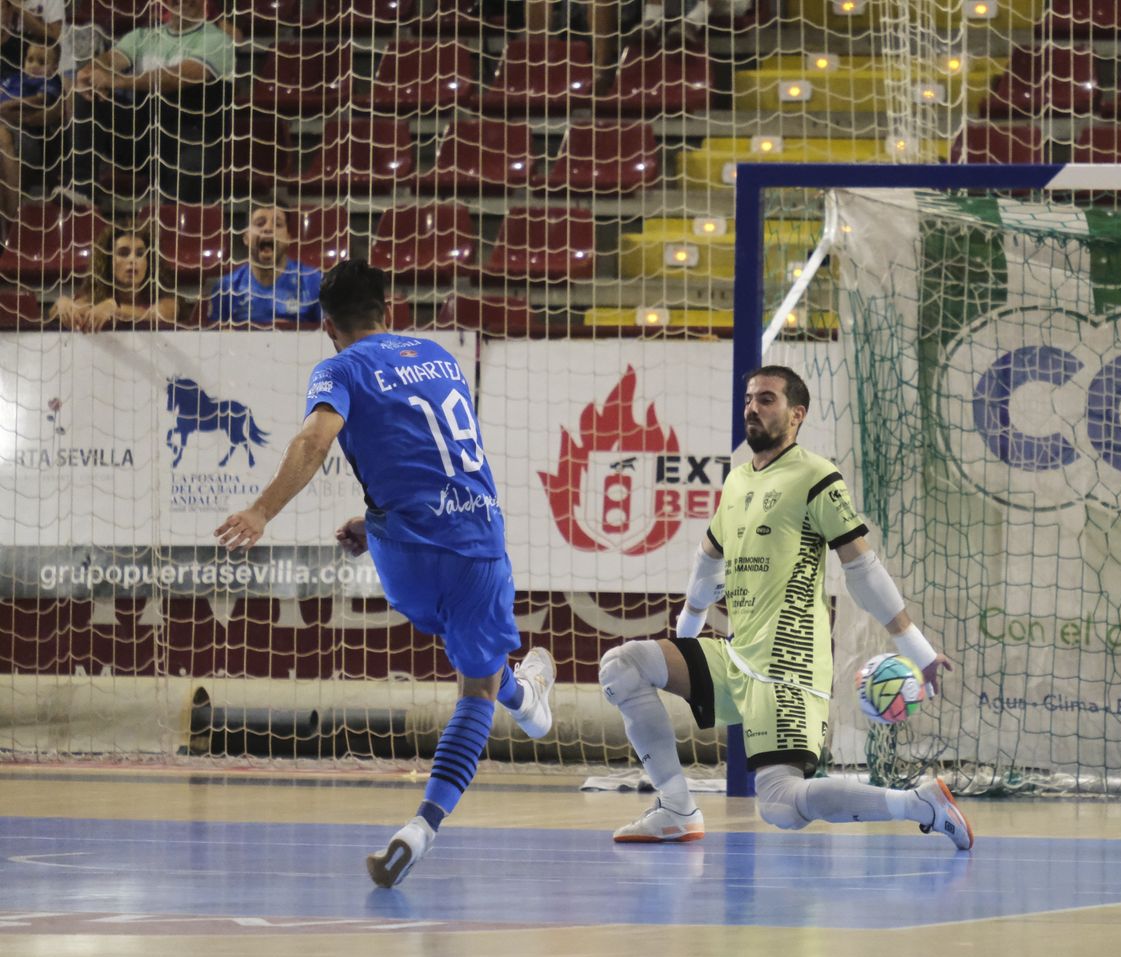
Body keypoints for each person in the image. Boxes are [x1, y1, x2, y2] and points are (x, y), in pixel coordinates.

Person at [213, 259, 556, 888]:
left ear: (325, 324)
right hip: (475, 540)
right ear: (389, 307)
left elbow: (316, 441)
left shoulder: (338, 367)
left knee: (478, 657)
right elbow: (437, 454)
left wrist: (266, 511)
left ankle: (527, 697)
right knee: (473, 691)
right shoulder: (439, 354)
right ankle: (420, 829)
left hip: (400, 556)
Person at [602, 365, 974, 850]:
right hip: (738, 658)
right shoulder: (737, 481)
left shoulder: (816, 476)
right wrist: (686, 633)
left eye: (767, 399)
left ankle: (917, 804)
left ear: (796, 415)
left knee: (780, 805)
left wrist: (918, 648)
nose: (753, 408)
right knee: (624, 665)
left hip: (789, 668)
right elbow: (707, 562)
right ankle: (675, 808)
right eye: (750, 399)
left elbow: (862, 570)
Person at [60, 0, 234, 206]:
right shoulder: (143, 37)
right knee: (86, 94)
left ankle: (170, 227)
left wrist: (120, 80)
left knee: (191, 167)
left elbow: (177, 77)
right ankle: (82, 192)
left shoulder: (217, 40)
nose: (183, 2)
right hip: (144, 137)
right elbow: (109, 59)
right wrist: (87, 73)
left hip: (193, 140)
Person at [50, 219, 180, 330]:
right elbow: (67, 310)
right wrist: (62, 304)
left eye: (140, 254)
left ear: (149, 262)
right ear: (108, 260)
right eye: (123, 253)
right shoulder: (95, 297)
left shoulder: (164, 297)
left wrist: (115, 310)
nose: (132, 260)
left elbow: (161, 315)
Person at [206, 203, 321, 328]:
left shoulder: (312, 281)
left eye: (277, 224)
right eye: (259, 223)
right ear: (246, 237)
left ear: (288, 238)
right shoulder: (227, 287)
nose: (268, 229)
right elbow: (214, 339)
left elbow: (329, 336)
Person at [0, 38, 61, 225]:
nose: (34, 65)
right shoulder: (12, 79)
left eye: (42, 62)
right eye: (30, 59)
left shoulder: (50, 80)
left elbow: (40, 101)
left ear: (54, 66)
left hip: (27, 138)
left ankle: (11, 224)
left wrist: (9, 104)